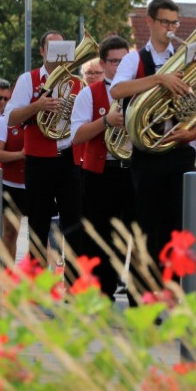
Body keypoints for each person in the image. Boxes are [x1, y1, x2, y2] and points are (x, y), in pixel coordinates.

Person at [110, 0, 196, 300]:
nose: (171, 29)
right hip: (147, 154)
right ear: (149, 22)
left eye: (175, 23)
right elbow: (117, 89)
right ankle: (142, 299)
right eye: (165, 22)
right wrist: (159, 80)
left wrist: (193, 125)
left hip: (179, 150)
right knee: (147, 227)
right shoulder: (134, 60)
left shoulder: (186, 58)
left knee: (179, 228)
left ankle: (175, 297)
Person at [4, 31, 84, 269]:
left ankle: (73, 286)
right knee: (38, 225)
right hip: (39, 161)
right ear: (42, 51)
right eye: (52, 47)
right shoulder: (29, 80)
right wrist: (37, 105)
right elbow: (10, 117)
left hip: (69, 158)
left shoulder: (77, 82)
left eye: (63, 48)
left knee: (73, 225)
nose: (59, 53)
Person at [67, 35, 136, 299]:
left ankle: (136, 297)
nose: (119, 67)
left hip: (133, 169)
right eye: (114, 62)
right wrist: (106, 120)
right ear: (103, 64)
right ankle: (102, 294)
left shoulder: (139, 89)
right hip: (100, 173)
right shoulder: (90, 93)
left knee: (134, 236)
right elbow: (77, 135)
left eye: (124, 61)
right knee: (99, 238)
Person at [0, 78, 27, 263]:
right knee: (11, 232)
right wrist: (21, 155)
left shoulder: (40, 118)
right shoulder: (4, 122)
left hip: (36, 182)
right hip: (11, 184)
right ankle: (7, 275)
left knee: (42, 236)